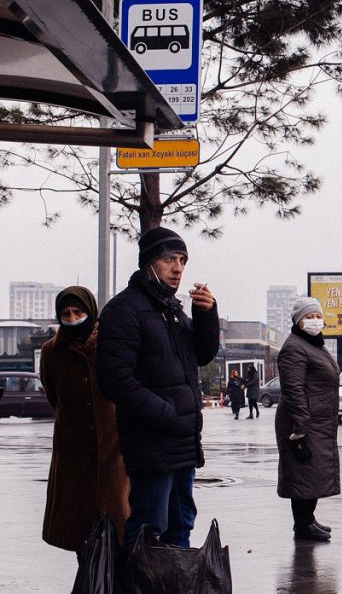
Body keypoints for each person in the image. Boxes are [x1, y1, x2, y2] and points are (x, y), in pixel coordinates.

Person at [97, 226, 219, 547]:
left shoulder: (172, 311)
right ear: (148, 262)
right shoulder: (124, 310)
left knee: (182, 524)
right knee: (150, 526)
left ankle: (172, 592)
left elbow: (203, 354)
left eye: (182, 260)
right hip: (152, 442)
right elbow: (115, 379)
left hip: (182, 443)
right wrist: (165, 414)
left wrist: (206, 316)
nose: (178, 268)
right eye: (168, 259)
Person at [39, 286, 129, 552]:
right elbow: (53, 395)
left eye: (78, 312)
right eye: (66, 313)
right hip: (73, 453)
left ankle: (118, 591)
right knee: (82, 535)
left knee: (120, 528)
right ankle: (91, 591)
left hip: (113, 450)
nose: (72, 318)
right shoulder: (51, 352)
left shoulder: (111, 345)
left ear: (90, 312)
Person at [275, 297, 340, 541]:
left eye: (316, 316)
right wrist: (301, 423)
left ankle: (308, 520)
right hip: (302, 422)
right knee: (302, 472)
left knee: (312, 472)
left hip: (317, 420)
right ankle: (302, 525)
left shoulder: (313, 344)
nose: (314, 321)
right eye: (307, 317)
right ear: (297, 321)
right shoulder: (294, 347)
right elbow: (293, 388)